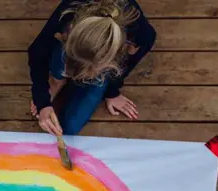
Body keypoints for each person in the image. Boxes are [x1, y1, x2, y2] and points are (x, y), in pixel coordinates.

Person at [28, 0, 156, 136]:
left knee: (70, 128)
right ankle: (57, 80)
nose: (79, 77)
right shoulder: (68, 13)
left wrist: (112, 91)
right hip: (71, 44)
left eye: (91, 72)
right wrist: (42, 101)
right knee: (60, 58)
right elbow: (37, 52)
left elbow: (141, 48)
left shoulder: (140, 35)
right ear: (70, 30)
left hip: (107, 58)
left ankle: (88, 74)